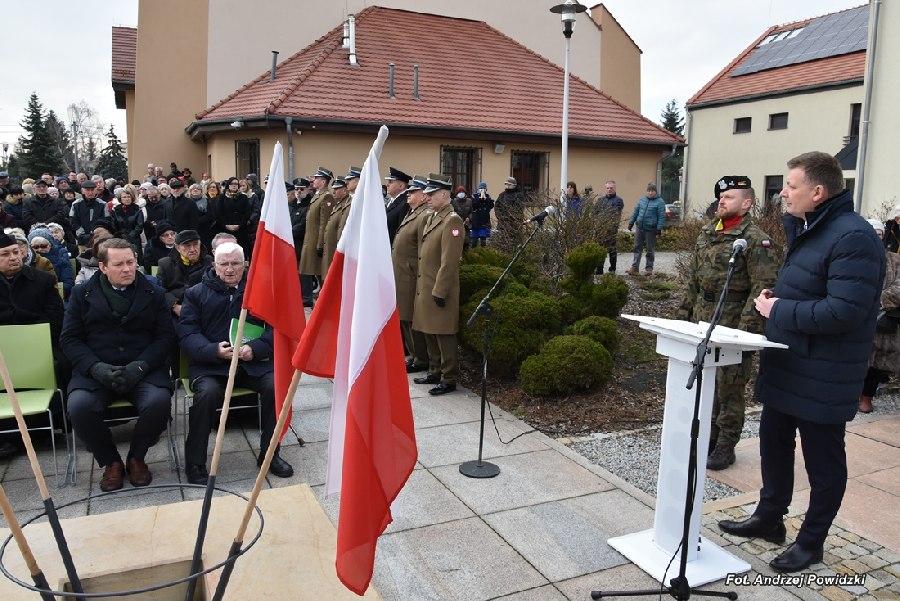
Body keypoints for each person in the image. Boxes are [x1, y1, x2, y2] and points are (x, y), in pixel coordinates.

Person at [719, 151, 885, 573]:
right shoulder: (811, 228)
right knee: (773, 442)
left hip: (825, 373)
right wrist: (777, 297)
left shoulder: (854, 237)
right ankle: (769, 518)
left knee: (823, 462)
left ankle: (811, 542)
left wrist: (779, 310)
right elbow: (812, 288)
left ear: (818, 191)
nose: (783, 194)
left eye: (791, 186)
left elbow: (843, 312)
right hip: (790, 362)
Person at [676, 176, 780, 470]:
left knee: (729, 386)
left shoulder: (755, 239)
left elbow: (763, 286)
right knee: (706, 380)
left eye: (730, 197)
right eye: (721, 196)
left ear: (747, 204)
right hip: (703, 317)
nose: (722, 200)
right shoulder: (708, 232)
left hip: (733, 320)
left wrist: (746, 331)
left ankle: (726, 444)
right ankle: (708, 436)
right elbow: (694, 280)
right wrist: (683, 316)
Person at [61, 238, 176, 492]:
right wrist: (95, 368)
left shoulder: (154, 293)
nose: (127, 269)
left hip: (143, 369)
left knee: (158, 402)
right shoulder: (81, 294)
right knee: (79, 407)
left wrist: (141, 366)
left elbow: (165, 337)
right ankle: (110, 461)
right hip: (96, 371)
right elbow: (69, 339)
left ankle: (137, 457)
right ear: (103, 267)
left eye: (131, 262)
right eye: (119, 264)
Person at [177, 242, 294, 484]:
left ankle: (270, 455)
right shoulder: (196, 293)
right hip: (212, 365)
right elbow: (187, 333)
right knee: (206, 394)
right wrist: (214, 351)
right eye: (224, 264)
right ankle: (195, 461)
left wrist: (256, 348)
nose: (229, 269)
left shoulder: (261, 291)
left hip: (252, 363)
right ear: (214, 265)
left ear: (245, 264)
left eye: (235, 263)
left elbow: (277, 328)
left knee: (276, 387)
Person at [0, 232, 67, 459]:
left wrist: (27, 337)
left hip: (41, 344)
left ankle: (45, 429)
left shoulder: (42, 280)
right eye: (5, 254)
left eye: (16, 252)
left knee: (61, 365)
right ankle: (6, 436)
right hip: (2, 352)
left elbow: (56, 317)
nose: (13, 257)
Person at [412, 173, 465, 396]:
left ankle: (448, 377)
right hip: (427, 285)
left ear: (444, 194)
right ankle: (434, 371)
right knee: (429, 330)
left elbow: (450, 260)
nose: (427, 197)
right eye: (426, 194)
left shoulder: (452, 220)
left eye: (431, 194)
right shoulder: (433, 217)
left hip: (441, 288)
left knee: (443, 333)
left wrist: (440, 290)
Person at [859, 218, 900, 414]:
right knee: (855, 357)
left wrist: (878, 299)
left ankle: (866, 397)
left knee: (877, 360)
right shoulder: (852, 257)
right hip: (856, 316)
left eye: (879, 234)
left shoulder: (895, 260)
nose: (875, 238)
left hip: (883, 318)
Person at [392, 175, 431, 373]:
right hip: (402, 274)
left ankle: (420, 358)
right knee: (405, 317)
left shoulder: (423, 216)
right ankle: (414, 355)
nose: (408, 195)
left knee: (411, 318)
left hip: (411, 274)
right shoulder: (412, 212)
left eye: (413, 192)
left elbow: (423, 249)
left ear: (424, 196)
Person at [157, 229, 212, 319]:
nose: (192, 249)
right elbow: (160, 289)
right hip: (175, 309)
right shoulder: (165, 264)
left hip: (204, 307)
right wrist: (174, 306)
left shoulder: (209, 262)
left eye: (195, 244)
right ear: (177, 248)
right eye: (187, 245)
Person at [299, 167, 334, 288]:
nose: (313, 180)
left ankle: (324, 297)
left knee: (321, 273)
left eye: (317, 178)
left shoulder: (327, 197)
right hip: (311, 240)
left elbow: (324, 223)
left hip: (317, 242)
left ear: (323, 182)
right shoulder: (317, 195)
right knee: (315, 272)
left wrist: (320, 244)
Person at [627, 183, 666, 275]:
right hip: (639, 227)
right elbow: (636, 211)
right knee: (637, 248)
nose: (650, 193)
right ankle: (634, 267)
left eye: (652, 191)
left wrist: (659, 228)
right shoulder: (642, 199)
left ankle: (649, 268)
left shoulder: (660, 202)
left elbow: (661, 216)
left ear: (655, 191)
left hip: (651, 229)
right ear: (647, 191)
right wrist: (631, 223)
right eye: (649, 191)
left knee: (650, 250)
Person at [290, 177, 314, 307]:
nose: (299, 191)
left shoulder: (309, 205)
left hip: (302, 243)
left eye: (302, 189)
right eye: (297, 189)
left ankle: (306, 298)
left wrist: (289, 232)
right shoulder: (292, 205)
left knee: (303, 273)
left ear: (307, 190)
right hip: (291, 243)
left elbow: (303, 225)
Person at [593, 180, 624, 273]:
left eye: (611, 188)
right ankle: (599, 269)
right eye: (608, 188)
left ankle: (612, 268)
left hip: (612, 229)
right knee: (600, 249)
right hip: (600, 229)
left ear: (614, 188)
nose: (609, 189)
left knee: (612, 249)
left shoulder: (618, 200)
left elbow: (615, 213)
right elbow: (594, 212)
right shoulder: (600, 200)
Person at [215, 177, 252, 253]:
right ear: (228, 185)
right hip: (225, 229)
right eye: (232, 184)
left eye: (236, 184)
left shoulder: (243, 197)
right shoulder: (222, 197)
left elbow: (247, 213)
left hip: (240, 229)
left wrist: (239, 225)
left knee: (241, 251)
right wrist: (225, 225)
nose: (234, 185)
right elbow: (218, 213)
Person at [321, 179, 349, 276]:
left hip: (336, 246)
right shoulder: (338, 204)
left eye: (336, 189)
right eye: (333, 189)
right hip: (331, 246)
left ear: (344, 190)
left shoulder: (346, 205)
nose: (333, 192)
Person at [494, 177, 525, 250]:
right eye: (506, 184)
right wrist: (500, 216)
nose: (507, 186)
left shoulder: (519, 195)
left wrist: (510, 217)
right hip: (503, 224)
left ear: (514, 185)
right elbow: (497, 207)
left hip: (514, 224)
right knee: (502, 243)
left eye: (509, 184)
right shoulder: (502, 195)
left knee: (515, 244)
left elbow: (518, 208)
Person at [384, 167, 411, 244]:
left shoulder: (405, 203)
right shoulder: (393, 200)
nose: (387, 185)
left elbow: (400, 232)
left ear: (401, 186)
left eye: (390, 182)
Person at [469, 182, 493, 248]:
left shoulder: (488, 196)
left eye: (483, 189)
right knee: (474, 241)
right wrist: (480, 198)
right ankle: (474, 252)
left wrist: (485, 199)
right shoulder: (474, 196)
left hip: (484, 221)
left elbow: (491, 205)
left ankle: (482, 252)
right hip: (475, 222)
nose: (482, 190)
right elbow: (474, 204)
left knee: (483, 241)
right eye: (480, 189)